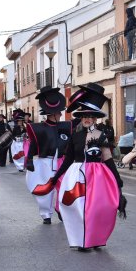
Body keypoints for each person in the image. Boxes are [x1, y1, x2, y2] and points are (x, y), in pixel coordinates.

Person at [51, 82, 125, 251]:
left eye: (90, 116)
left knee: (96, 209)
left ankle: (95, 238)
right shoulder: (75, 136)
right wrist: (56, 177)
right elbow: (68, 159)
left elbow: (107, 159)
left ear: (95, 118)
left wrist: (117, 179)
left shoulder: (101, 136)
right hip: (76, 175)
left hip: (98, 177)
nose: (87, 118)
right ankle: (82, 239)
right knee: (76, 207)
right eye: (84, 115)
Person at [25, 86, 73, 224]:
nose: (60, 115)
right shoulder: (39, 129)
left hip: (61, 161)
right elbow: (34, 145)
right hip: (45, 162)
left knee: (64, 186)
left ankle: (60, 209)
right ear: (53, 113)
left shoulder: (65, 126)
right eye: (59, 112)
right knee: (45, 190)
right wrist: (29, 160)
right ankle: (46, 213)